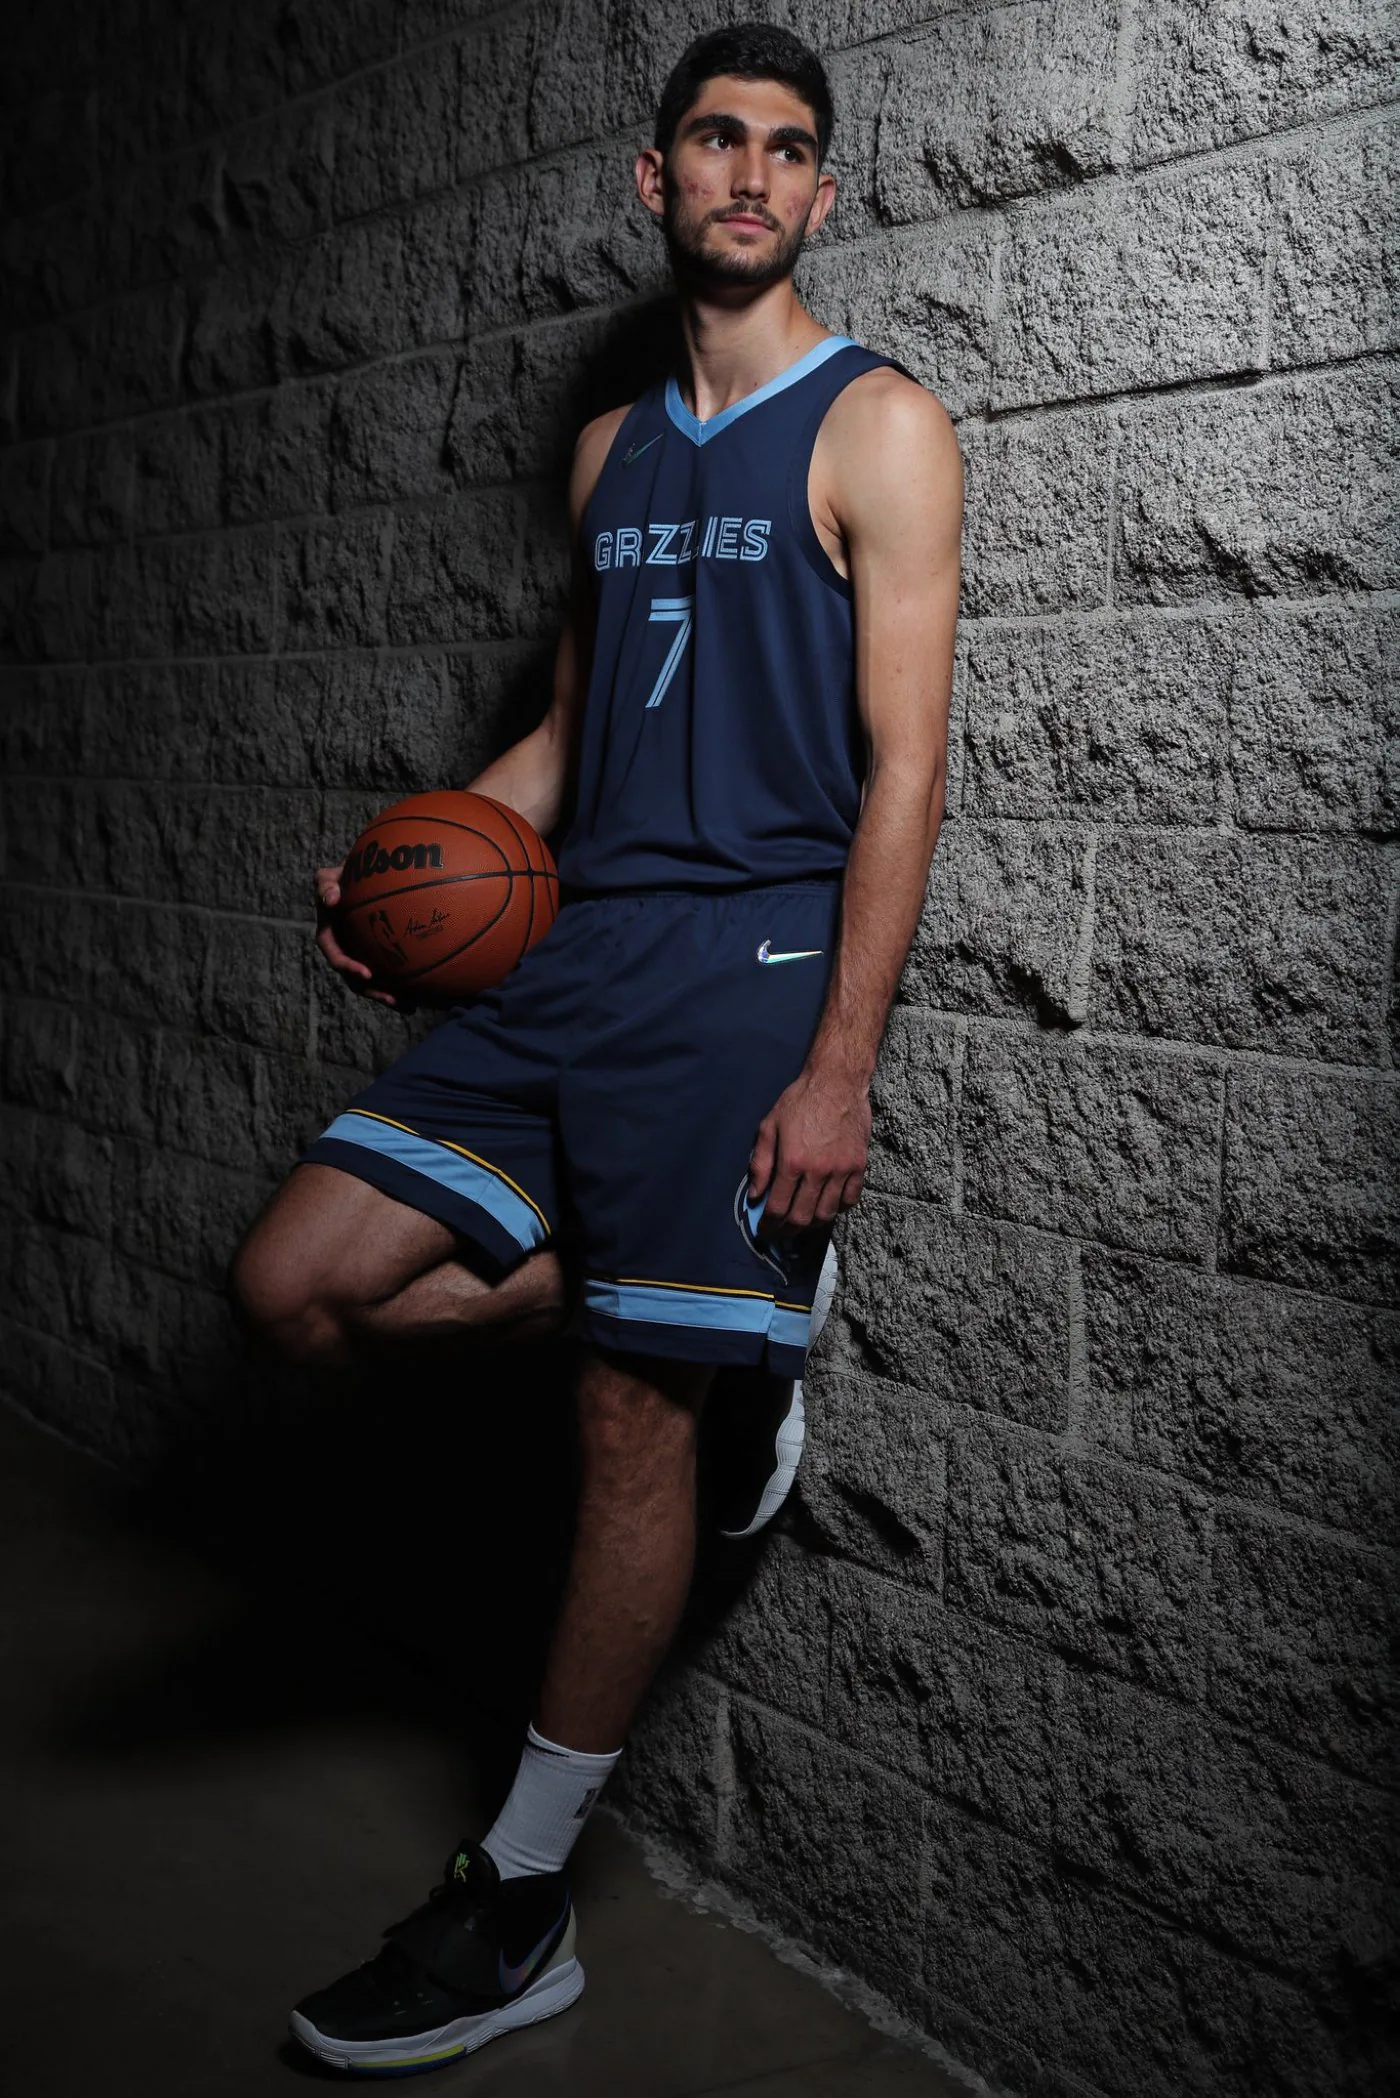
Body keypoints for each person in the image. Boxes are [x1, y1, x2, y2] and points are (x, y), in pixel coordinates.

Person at [230, 20, 961, 2076]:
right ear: (654, 181)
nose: (751, 172)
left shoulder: (879, 427)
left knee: (628, 1432)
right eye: (715, 139)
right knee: (286, 1286)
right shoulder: (609, 450)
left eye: (789, 148)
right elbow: (567, 736)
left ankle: (520, 1893)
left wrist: (838, 1065)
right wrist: (399, 873)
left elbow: (904, 771)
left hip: (744, 961)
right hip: (578, 951)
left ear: (823, 195)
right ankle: (699, 1318)